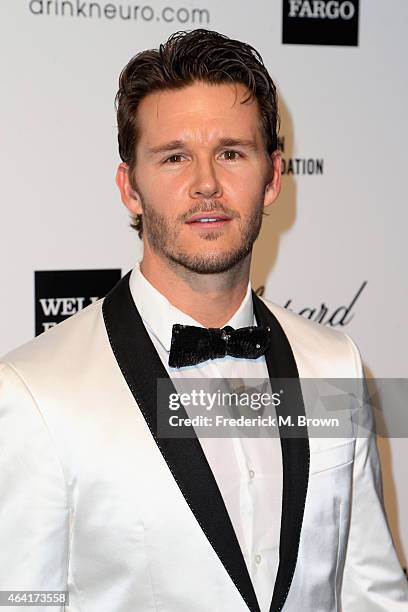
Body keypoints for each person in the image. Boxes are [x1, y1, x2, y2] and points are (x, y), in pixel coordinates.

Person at [0, 29, 407, 612]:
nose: (206, 184)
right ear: (129, 189)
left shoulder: (334, 362)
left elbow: (372, 594)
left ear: (271, 177)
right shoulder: (36, 392)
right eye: (173, 157)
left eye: (232, 153)